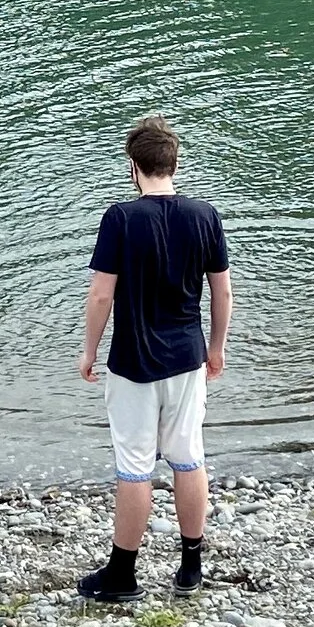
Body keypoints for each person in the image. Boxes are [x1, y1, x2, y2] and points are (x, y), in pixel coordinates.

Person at [76, 117, 231, 602]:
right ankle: (190, 567)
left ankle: (123, 575)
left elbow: (102, 295)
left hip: (134, 363)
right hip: (187, 359)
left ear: (134, 167)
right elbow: (221, 289)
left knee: (135, 467)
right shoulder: (204, 215)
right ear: (174, 162)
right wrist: (216, 347)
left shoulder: (121, 218)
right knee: (188, 457)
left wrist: (88, 350)